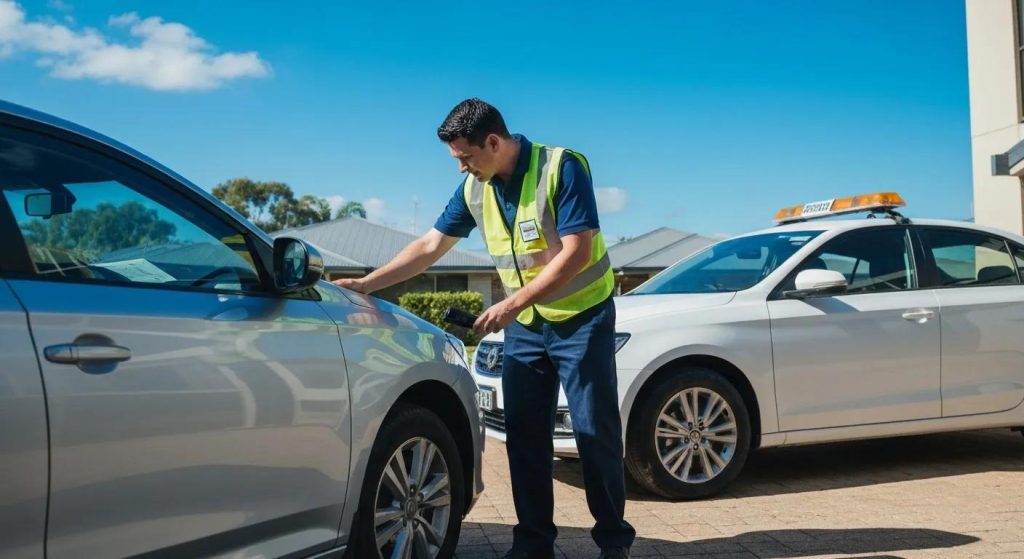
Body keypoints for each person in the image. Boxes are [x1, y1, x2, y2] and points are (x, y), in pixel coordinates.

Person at [334, 98, 635, 559]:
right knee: (525, 437)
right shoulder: (477, 188)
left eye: (465, 157)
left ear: (493, 142)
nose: (461, 168)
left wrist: (511, 303)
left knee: (595, 434)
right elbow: (432, 244)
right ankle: (534, 543)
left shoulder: (562, 167)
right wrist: (370, 284)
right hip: (528, 328)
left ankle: (613, 542)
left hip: (582, 319)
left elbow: (576, 251)